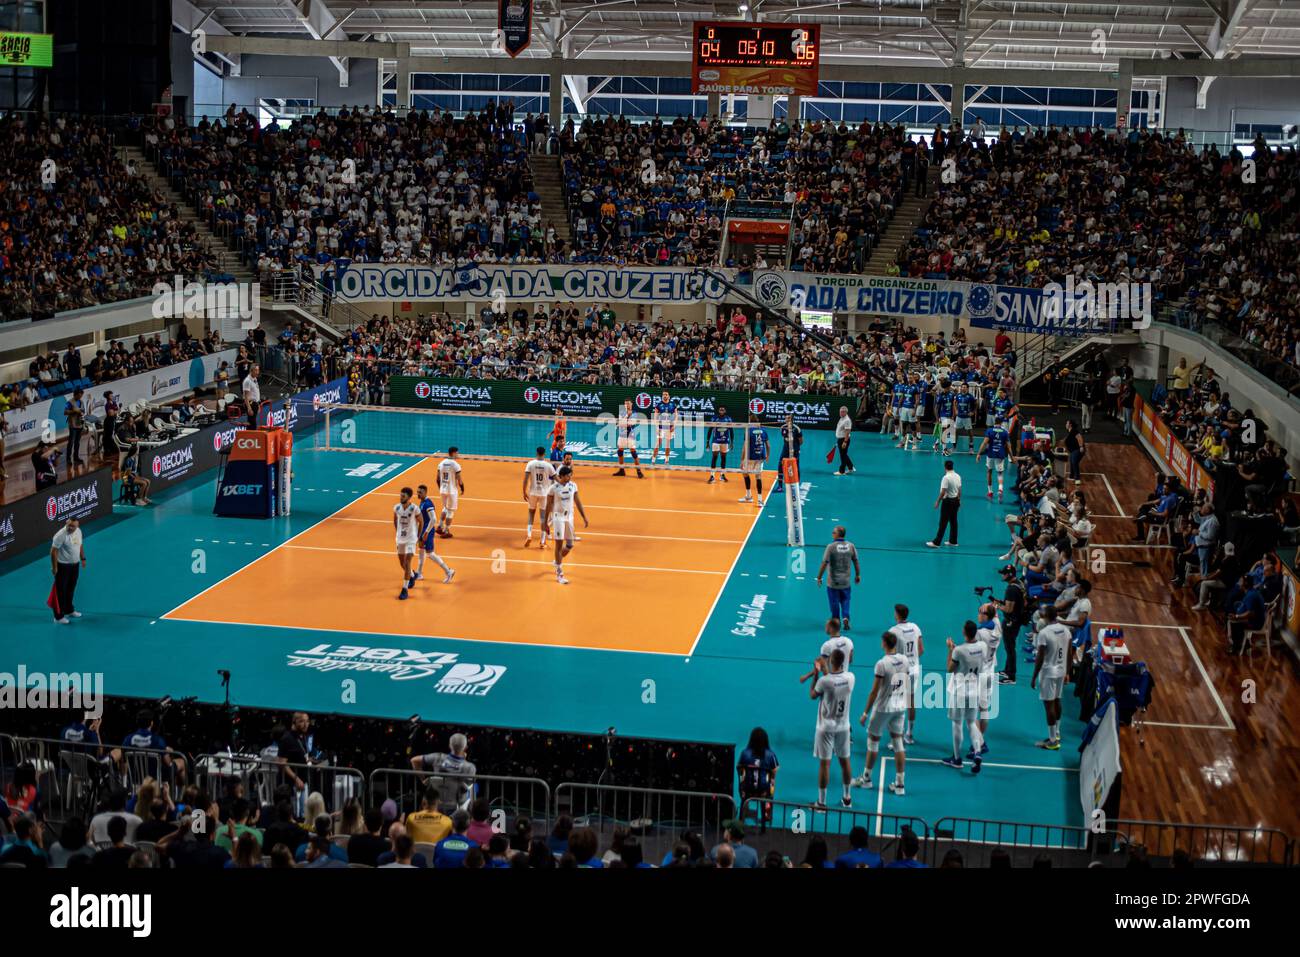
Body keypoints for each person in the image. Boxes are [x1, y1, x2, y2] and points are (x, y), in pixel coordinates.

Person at [853, 629, 910, 794]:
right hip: (900, 707)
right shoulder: (905, 660)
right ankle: (900, 784)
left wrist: (865, 713)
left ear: (884, 644)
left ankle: (866, 779)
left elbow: (874, 691)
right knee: (898, 742)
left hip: (883, 708)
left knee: (873, 742)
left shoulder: (882, 664)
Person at [810, 647, 854, 810]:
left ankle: (821, 802)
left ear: (830, 661)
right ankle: (847, 798)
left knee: (825, 765)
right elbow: (834, 679)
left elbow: (813, 695)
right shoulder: (850, 678)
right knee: (845, 762)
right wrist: (825, 670)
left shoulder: (824, 681)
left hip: (826, 728)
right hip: (843, 727)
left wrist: (816, 673)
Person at [940, 620, 988, 774]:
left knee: (957, 724)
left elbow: (949, 669)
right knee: (972, 723)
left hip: (959, 691)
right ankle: (977, 751)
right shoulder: (983, 646)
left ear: (964, 633)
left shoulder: (958, 650)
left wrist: (950, 649)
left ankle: (956, 759)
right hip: (975, 690)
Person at [1031, 605, 1072, 750]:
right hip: (1061, 671)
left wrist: (1034, 676)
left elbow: (1040, 657)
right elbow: (1069, 653)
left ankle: (1053, 741)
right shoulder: (1066, 630)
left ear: (1047, 616)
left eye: (1042, 613)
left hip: (1048, 673)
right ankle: (1057, 732)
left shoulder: (1044, 633)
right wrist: (1068, 672)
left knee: (1049, 706)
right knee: (1057, 701)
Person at [547, 465, 588, 585]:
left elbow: (578, 501)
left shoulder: (573, 486)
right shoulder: (553, 488)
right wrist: (545, 523)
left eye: (571, 475)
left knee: (569, 545)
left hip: (569, 518)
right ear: (562, 476)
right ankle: (559, 572)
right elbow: (548, 505)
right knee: (559, 546)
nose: (570, 477)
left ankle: (557, 561)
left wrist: (584, 516)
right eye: (568, 475)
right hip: (558, 518)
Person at [816, 525, 860, 630]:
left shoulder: (831, 547)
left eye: (833, 532)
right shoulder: (851, 546)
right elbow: (856, 561)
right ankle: (845, 617)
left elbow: (824, 563)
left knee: (834, 602)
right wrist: (858, 574)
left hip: (833, 582)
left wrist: (819, 577)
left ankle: (836, 621)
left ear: (837, 534)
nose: (832, 534)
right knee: (846, 600)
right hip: (846, 582)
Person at [736, 728, 778, 829]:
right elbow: (774, 770)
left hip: (747, 789)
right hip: (764, 791)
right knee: (771, 783)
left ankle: (741, 820)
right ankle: (765, 819)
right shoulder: (770, 754)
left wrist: (742, 785)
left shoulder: (745, 753)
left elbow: (739, 768)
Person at [413, 483, 455, 584]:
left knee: (430, 554)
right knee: (421, 551)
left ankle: (448, 571)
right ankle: (419, 573)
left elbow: (434, 519)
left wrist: (426, 532)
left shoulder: (428, 504)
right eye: (417, 492)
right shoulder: (422, 502)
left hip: (428, 531)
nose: (418, 494)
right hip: (423, 530)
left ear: (425, 492)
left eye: (420, 492)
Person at [991, 563, 1026, 683]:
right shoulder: (1019, 584)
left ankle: (1011, 676)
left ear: (1009, 575)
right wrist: (1001, 601)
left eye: (1004, 574)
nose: (1002, 575)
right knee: (1009, 647)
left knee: (1010, 648)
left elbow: (1009, 609)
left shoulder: (1011, 589)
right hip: (1017, 620)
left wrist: (997, 605)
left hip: (1011, 622)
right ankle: (1007, 670)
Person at [50, 517, 86, 625]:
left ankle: (69, 610)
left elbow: (80, 545)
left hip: (75, 565)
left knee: (71, 588)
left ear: (77, 526)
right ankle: (58, 616)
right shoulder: (60, 535)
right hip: (63, 567)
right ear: (66, 523)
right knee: (60, 592)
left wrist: (83, 558)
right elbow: (53, 552)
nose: (70, 528)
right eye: (69, 525)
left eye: (73, 526)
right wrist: (54, 567)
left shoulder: (78, 531)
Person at [523, 446, 558, 546]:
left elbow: (525, 479)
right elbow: (557, 479)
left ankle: (529, 535)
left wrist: (524, 492)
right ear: (544, 454)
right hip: (544, 494)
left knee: (531, 515)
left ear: (536, 453)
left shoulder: (530, 464)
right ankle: (542, 541)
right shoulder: (549, 466)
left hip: (533, 493)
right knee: (543, 518)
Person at [393, 486, 420, 600]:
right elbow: (395, 520)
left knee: (407, 562)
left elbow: (421, 521)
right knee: (402, 563)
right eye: (400, 495)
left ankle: (404, 589)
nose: (401, 497)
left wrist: (418, 536)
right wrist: (398, 532)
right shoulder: (397, 508)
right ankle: (412, 575)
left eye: (403, 496)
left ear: (409, 497)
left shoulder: (414, 508)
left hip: (411, 539)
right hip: (400, 539)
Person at [928, 459, 962, 547]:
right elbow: (959, 490)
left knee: (943, 522)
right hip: (955, 501)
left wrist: (937, 501)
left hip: (947, 502)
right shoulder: (958, 476)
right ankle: (953, 541)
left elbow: (943, 492)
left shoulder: (946, 478)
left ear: (945, 467)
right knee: (954, 521)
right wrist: (959, 500)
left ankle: (936, 542)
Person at [976, 417, 1011, 501]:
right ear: (1001, 423)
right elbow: (1009, 446)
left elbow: (984, 443)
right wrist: (1012, 457)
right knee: (1000, 473)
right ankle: (1000, 489)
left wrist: (978, 453)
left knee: (989, 471)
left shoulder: (989, 431)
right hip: (1000, 454)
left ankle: (990, 492)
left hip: (991, 454)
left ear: (994, 422)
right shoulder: (1005, 432)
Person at [614, 399, 645, 478]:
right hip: (622, 434)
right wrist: (621, 423)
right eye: (625, 404)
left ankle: (639, 472)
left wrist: (623, 422)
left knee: (633, 453)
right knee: (620, 451)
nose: (627, 405)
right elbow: (619, 422)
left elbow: (630, 424)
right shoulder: (622, 412)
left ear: (631, 404)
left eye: (628, 403)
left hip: (630, 435)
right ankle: (621, 470)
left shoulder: (634, 413)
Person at [436, 447, 464, 537]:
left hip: (443, 490)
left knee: (445, 508)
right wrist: (462, 488)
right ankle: (446, 531)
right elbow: (459, 480)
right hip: (451, 491)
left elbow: (437, 479)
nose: (458, 455)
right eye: (457, 453)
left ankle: (440, 526)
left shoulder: (441, 463)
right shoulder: (455, 465)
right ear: (454, 453)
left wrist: (441, 488)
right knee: (450, 511)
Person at [772, 414, 802, 493]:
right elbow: (784, 437)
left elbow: (801, 441)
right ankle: (780, 486)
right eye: (786, 418)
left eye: (788, 418)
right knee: (780, 465)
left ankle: (796, 485)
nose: (786, 419)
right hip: (785, 450)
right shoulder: (783, 427)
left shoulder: (797, 428)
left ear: (792, 419)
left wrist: (795, 448)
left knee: (796, 466)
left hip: (795, 450)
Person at [650, 390, 678, 465]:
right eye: (663, 394)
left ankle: (666, 461)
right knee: (658, 444)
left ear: (669, 396)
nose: (665, 396)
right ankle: (653, 460)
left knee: (668, 444)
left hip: (670, 427)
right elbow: (655, 418)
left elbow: (676, 416)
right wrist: (657, 428)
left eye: (666, 394)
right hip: (661, 427)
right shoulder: (659, 405)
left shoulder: (673, 404)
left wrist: (674, 425)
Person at [706, 404, 732, 483]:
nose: (721, 411)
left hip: (725, 441)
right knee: (714, 457)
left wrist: (732, 442)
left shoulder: (728, 419)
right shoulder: (714, 418)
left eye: (723, 409)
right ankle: (712, 476)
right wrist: (707, 441)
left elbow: (731, 431)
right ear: (718, 410)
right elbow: (710, 430)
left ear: (725, 411)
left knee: (723, 458)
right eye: (720, 409)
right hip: (716, 441)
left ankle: (722, 475)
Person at [64, 387, 86, 467]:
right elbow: (65, 412)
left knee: (77, 442)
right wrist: (74, 411)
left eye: (81, 395)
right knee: (71, 442)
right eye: (79, 395)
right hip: (73, 425)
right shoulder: (69, 402)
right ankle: (68, 458)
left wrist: (81, 412)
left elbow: (83, 410)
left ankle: (76, 457)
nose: (80, 397)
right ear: (75, 395)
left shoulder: (81, 401)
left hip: (79, 424)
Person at [834, 405, 855, 475]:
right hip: (840, 439)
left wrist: (845, 442)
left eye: (843, 412)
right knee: (844, 454)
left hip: (844, 440)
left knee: (842, 456)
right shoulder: (842, 418)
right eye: (840, 411)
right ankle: (851, 467)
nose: (841, 413)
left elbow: (848, 431)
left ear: (846, 412)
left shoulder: (847, 420)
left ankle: (841, 471)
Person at [1064, 418, 1085, 484]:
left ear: (1070, 425)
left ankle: (1077, 479)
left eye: (1067, 423)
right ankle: (1072, 476)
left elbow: (1079, 438)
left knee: (1074, 462)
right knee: (1072, 462)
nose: (1066, 424)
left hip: (1078, 450)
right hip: (1073, 450)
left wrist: (1081, 447)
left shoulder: (1074, 431)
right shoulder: (1070, 431)